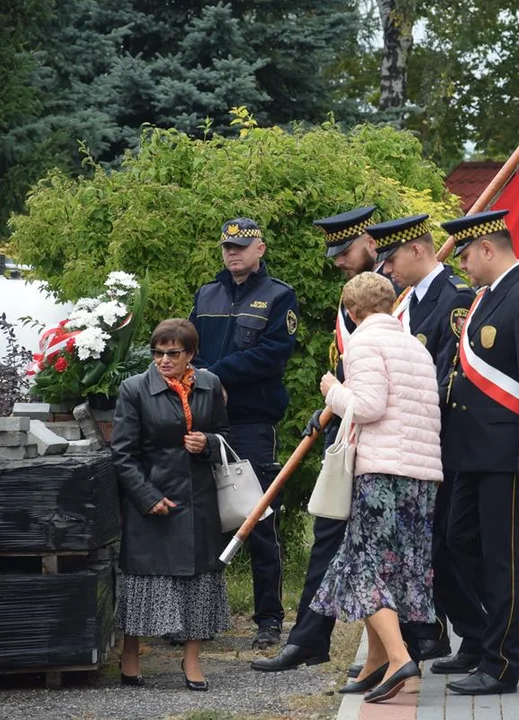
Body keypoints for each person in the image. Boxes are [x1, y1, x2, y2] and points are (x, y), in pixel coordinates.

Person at [438, 210, 519, 695]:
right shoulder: (488, 298)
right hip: (472, 451)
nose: (464, 266)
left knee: (502, 560)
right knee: (458, 544)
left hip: (508, 455)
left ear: (488, 249)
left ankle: (502, 665)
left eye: (467, 255)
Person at [252, 205, 379, 673]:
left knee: (393, 545)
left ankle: (420, 640)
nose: (338, 261)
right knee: (329, 532)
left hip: (381, 439)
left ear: (369, 243)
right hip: (347, 430)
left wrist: (340, 399)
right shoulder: (359, 297)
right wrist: (326, 409)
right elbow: (352, 369)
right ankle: (309, 639)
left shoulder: (393, 297)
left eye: (344, 251)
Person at [311, 271, 442, 703]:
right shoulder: (412, 345)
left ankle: (400, 657)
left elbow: (367, 406)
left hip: (383, 472)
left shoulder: (364, 342)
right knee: (396, 568)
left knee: (366, 566)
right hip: (420, 475)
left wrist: (333, 391)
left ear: (352, 311)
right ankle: (377, 661)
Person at [373, 213, 486, 671]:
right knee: (427, 550)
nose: (387, 268)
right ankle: (465, 637)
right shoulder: (408, 302)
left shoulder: (454, 299)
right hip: (413, 446)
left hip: (444, 444)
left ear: (418, 250)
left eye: (393, 257)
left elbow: (451, 374)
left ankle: (479, 637)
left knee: (447, 547)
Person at [189, 218, 298, 649]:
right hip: (206, 420)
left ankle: (269, 621)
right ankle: (200, 618)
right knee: (201, 519)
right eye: (226, 247)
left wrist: (213, 374)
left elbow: (274, 355)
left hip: (252, 422)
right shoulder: (207, 294)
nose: (232, 253)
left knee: (257, 521)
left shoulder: (278, 295)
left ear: (260, 249)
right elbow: (190, 348)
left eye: (240, 246)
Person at [111, 319, 231, 691]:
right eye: (158, 353)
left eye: (172, 353)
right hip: (152, 499)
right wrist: (147, 498)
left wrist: (208, 443)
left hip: (198, 500)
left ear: (190, 354)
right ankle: (130, 655)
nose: (163, 360)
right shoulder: (134, 389)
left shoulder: (210, 385)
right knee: (144, 584)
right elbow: (123, 454)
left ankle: (191, 660)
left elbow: (225, 437)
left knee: (198, 583)